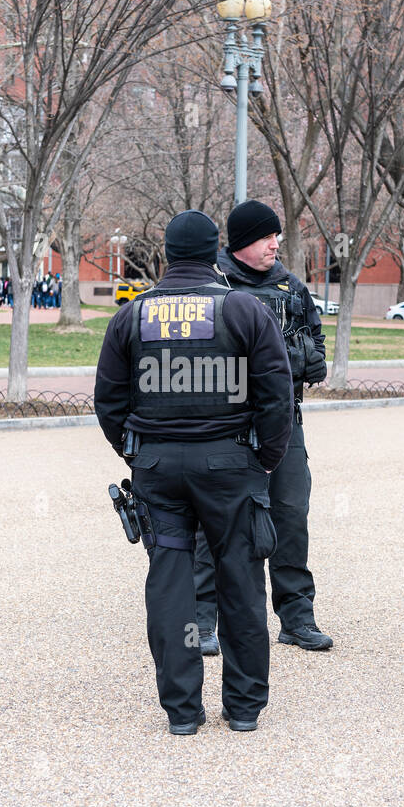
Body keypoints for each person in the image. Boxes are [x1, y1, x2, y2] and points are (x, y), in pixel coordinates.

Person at [94, 210, 293, 734]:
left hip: (158, 468)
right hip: (231, 467)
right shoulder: (244, 309)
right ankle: (244, 709)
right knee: (241, 583)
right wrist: (266, 459)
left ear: (167, 253)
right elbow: (277, 394)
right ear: (214, 253)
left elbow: (108, 401)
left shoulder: (131, 317)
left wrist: (134, 453)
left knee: (171, 588)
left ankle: (182, 712)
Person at [193, 200, 331, 655]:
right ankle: (203, 621)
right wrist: (281, 361)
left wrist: (295, 360)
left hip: (285, 423)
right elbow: (208, 361)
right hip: (228, 427)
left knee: (291, 517)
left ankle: (296, 618)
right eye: (266, 237)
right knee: (215, 524)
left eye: (276, 236)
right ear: (243, 242)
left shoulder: (291, 286)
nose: (276, 244)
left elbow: (316, 352)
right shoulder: (214, 285)